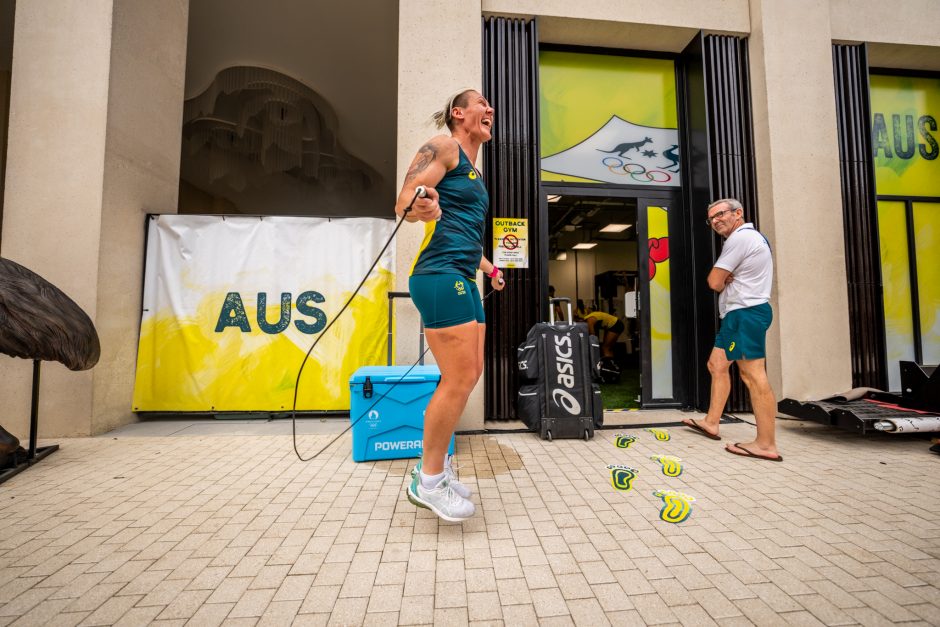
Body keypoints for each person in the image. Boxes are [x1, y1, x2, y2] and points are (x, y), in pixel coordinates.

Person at [395, 88, 503, 521]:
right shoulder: (443, 146)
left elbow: (464, 234)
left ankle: (436, 467)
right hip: (438, 275)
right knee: (458, 378)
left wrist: (490, 267)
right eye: (481, 104)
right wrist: (424, 204)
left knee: (469, 373)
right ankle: (429, 480)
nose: (489, 109)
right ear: (459, 113)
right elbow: (404, 201)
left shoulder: (474, 171)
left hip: (461, 274)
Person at [682, 198, 782, 462]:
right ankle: (711, 422)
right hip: (738, 315)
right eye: (711, 218)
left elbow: (714, 282)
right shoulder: (745, 239)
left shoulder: (741, 238)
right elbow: (720, 279)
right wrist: (725, 278)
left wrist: (722, 278)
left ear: (739, 213)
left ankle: (766, 444)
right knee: (717, 364)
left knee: (752, 375)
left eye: (721, 214)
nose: (716, 220)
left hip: (746, 314)